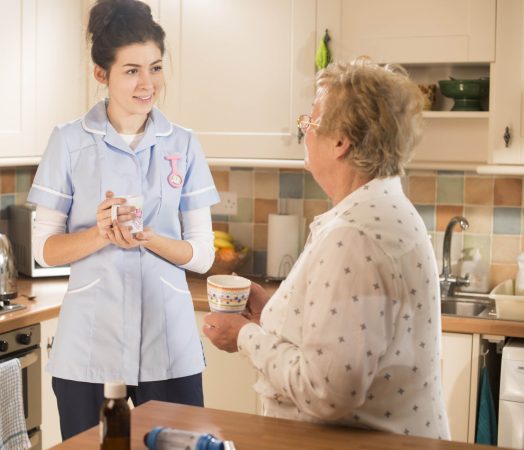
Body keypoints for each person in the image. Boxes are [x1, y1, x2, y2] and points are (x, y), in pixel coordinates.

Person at [203, 58, 451, 440]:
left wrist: (244, 336)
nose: (304, 131)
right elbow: (349, 334)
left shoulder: (354, 236)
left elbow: (330, 392)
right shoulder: (384, 209)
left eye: (311, 121)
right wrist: (272, 314)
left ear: (340, 141)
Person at [27, 0, 219, 440]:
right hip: (89, 346)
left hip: (168, 341)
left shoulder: (184, 144)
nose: (147, 83)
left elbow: (203, 255)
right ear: (102, 74)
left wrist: (148, 237)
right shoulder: (69, 141)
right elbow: (45, 248)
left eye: (154, 67)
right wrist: (99, 235)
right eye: (131, 70)